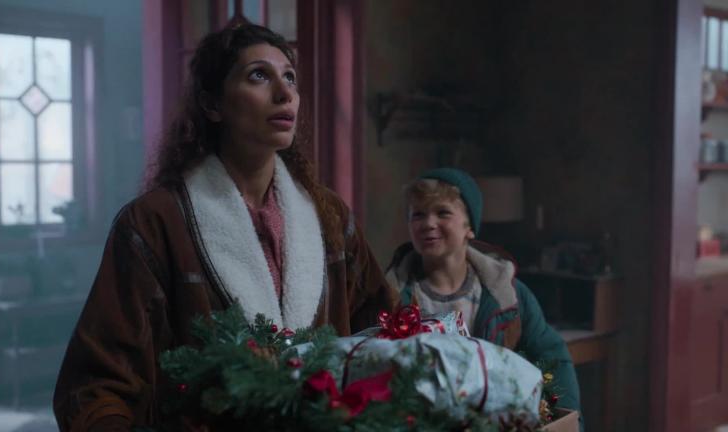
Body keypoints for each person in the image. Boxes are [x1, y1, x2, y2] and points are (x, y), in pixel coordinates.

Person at [53, 24, 395, 432]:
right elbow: (95, 385)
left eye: (289, 77)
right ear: (212, 104)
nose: (285, 93)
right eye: (258, 75)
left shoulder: (329, 217)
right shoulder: (153, 223)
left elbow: (386, 336)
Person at [386, 168, 582, 423]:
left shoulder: (508, 295)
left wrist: (568, 423)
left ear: (469, 227)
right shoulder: (390, 297)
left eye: (443, 212)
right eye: (418, 214)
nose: (429, 224)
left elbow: (552, 356)